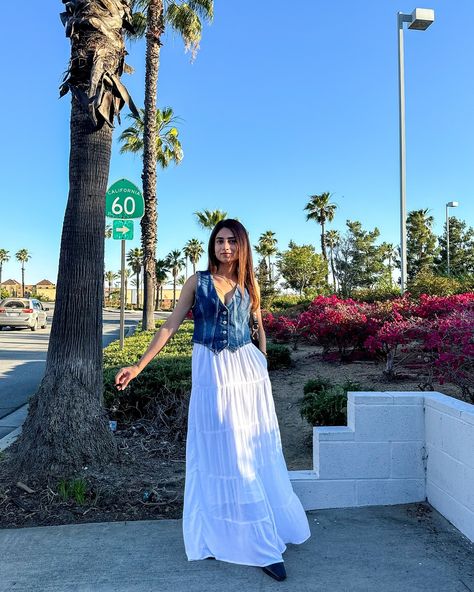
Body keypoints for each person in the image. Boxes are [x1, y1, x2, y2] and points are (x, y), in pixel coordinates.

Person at [115, 219, 311, 582]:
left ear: (242, 247)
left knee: (250, 449)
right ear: (213, 245)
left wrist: (263, 365)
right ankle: (226, 533)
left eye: (232, 241)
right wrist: (139, 365)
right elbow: (168, 325)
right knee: (223, 449)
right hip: (211, 373)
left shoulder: (249, 284)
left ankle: (262, 541)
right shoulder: (197, 281)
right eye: (220, 241)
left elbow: (258, 328)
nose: (225, 247)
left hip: (247, 372)